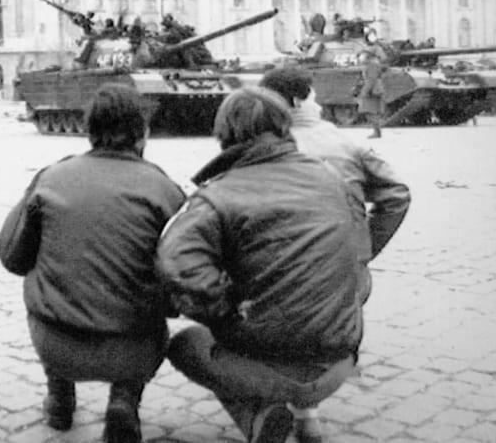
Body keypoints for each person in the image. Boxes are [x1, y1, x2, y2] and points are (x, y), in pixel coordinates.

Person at [158, 87, 374, 443]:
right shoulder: (336, 182)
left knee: (186, 345)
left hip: (263, 358)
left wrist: (225, 312)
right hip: (339, 360)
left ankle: (258, 417)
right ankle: (308, 419)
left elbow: (177, 263)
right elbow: (360, 255)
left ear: (224, 135)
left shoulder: (217, 195)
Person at [0, 84, 186, 443]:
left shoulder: (51, 177)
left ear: (89, 131)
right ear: (142, 132)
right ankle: (124, 400)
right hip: (134, 348)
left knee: (45, 274)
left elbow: (12, 256)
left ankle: (59, 398)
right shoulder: (165, 189)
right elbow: (183, 274)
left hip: (56, 342)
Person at [259, 66, 411, 441]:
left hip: (269, 286)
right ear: (299, 100)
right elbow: (397, 195)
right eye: (312, 94)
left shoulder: (252, 149)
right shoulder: (348, 144)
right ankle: (313, 397)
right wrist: (361, 251)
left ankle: (271, 400)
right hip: (344, 282)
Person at [357, 46, 386, 138]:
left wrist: (364, 91)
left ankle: (377, 132)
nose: (361, 56)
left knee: (370, 111)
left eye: (363, 54)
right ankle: (377, 132)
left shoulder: (372, 65)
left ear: (368, 55)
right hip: (374, 89)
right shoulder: (373, 64)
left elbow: (371, 79)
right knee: (371, 111)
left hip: (372, 91)